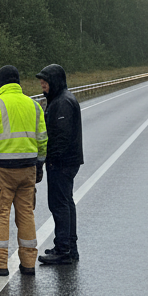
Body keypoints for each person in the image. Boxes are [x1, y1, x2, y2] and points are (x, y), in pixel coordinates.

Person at [0, 65, 48, 278]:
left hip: (3, 170)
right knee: (26, 213)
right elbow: (42, 138)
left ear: (0, 83)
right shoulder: (34, 106)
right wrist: (40, 163)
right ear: (17, 82)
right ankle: (28, 263)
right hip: (28, 170)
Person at [35, 63, 83, 266]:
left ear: (54, 81)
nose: (43, 86)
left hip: (62, 162)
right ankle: (69, 247)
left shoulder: (62, 103)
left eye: (45, 82)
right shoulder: (60, 99)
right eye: (42, 83)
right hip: (67, 161)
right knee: (66, 203)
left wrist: (50, 158)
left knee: (59, 204)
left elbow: (60, 137)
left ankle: (64, 250)